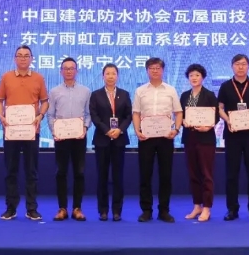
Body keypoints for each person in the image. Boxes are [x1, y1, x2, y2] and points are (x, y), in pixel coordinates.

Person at [0, 45, 49, 221]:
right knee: (11, 170)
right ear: (14, 59)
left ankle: (31, 208)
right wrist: (1, 116)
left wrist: (40, 115)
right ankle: (11, 208)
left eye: (26, 56)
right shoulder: (6, 77)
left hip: (31, 131)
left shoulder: (39, 78)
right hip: (11, 131)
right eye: (19, 55)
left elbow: (45, 102)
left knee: (31, 171)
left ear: (32, 59)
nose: (23, 58)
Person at [218, 54, 249, 222]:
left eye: (244, 64)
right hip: (232, 134)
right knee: (232, 173)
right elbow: (220, 108)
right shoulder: (225, 86)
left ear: (248, 66)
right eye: (237, 64)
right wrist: (228, 120)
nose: (241, 67)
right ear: (232, 66)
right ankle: (232, 209)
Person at [132, 57, 183, 223]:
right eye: (151, 68)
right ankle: (146, 210)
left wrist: (176, 130)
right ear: (147, 70)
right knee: (145, 175)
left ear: (163, 70)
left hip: (165, 137)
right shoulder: (140, 90)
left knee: (165, 175)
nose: (155, 70)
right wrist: (137, 131)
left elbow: (178, 112)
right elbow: (136, 113)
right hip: (146, 137)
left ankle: (164, 210)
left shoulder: (170, 90)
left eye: (158, 68)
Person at [47, 57, 92, 221]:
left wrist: (85, 128)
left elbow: (88, 114)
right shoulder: (54, 92)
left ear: (77, 71)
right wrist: (55, 132)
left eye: (72, 68)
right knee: (61, 172)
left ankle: (77, 208)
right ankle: (62, 208)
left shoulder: (86, 91)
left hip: (79, 137)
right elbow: (50, 115)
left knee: (79, 172)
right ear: (61, 71)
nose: (68, 71)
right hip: (61, 139)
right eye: (65, 68)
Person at [89, 63, 132, 221]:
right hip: (102, 139)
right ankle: (103, 210)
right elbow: (94, 116)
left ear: (118, 76)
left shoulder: (124, 94)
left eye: (113, 73)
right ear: (103, 76)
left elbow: (128, 116)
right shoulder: (96, 95)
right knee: (102, 176)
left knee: (118, 176)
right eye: (107, 73)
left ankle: (117, 210)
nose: (110, 76)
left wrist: (119, 130)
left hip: (119, 140)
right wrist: (106, 130)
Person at [180, 63, 219, 222]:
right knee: (193, 173)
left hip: (206, 138)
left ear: (202, 77)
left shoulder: (209, 95)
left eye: (197, 75)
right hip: (189, 138)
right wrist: (183, 121)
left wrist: (207, 126)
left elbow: (215, 116)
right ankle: (197, 205)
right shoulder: (184, 96)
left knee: (206, 174)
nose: (194, 78)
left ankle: (207, 207)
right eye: (191, 76)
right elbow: (180, 115)